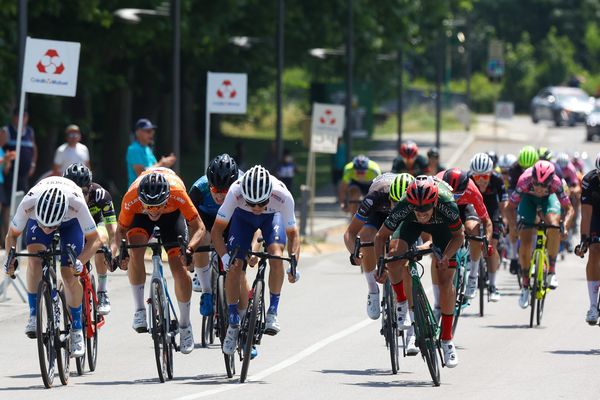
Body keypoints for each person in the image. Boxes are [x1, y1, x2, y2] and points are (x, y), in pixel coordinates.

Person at [3, 176, 100, 358]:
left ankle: (77, 329)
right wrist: (10, 260)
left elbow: (96, 240)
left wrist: (80, 261)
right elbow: (11, 236)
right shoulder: (29, 202)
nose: (48, 230)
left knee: (69, 273)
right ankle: (34, 314)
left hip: (70, 223)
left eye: (51, 226)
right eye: (45, 226)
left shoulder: (77, 202)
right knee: (34, 260)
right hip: (38, 216)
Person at [374, 176, 464, 368]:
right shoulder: (405, 205)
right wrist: (380, 265)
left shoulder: (447, 204)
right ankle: (402, 302)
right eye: (417, 209)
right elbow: (380, 236)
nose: (421, 213)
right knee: (394, 255)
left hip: (442, 229)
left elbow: (459, 236)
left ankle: (447, 339)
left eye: (425, 209)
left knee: (446, 281)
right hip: (410, 226)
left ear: (435, 202)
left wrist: (446, 255)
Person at [211, 165, 301, 355]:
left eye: (262, 203)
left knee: (276, 255)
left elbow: (293, 235)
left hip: (272, 219)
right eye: (252, 203)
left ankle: (272, 312)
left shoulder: (283, 195)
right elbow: (217, 232)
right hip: (242, 220)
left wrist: (293, 263)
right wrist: (226, 258)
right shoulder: (235, 192)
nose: (257, 208)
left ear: (270, 194)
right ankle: (233, 322)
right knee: (235, 266)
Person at [115, 168, 206, 355]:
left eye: (158, 206)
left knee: (179, 268)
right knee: (135, 252)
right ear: (141, 199)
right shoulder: (131, 197)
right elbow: (120, 231)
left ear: (166, 197)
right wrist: (122, 252)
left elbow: (199, 227)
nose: (154, 210)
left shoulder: (178, 193)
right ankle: (139, 309)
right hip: (140, 219)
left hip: (172, 217)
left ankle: (185, 324)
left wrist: (190, 249)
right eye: (149, 205)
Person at [344, 173, 418, 353]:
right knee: (367, 237)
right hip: (377, 215)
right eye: (393, 203)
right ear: (389, 196)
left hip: (407, 219)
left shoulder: (416, 198)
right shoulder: (375, 196)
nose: (395, 208)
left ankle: (413, 329)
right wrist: (355, 252)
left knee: (406, 264)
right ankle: (372, 290)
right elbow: (350, 233)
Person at [506, 160, 575, 308]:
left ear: (550, 181)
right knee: (524, 241)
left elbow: (569, 209)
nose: (539, 187)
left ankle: (551, 271)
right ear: (532, 178)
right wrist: (513, 226)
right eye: (536, 183)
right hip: (528, 201)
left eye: (544, 185)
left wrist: (565, 226)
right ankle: (525, 285)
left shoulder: (556, 183)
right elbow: (509, 207)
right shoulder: (524, 181)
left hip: (548, 200)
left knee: (554, 225)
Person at [188, 154, 242, 316]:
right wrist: (190, 251)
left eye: (225, 191)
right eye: (215, 190)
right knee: (202, 237)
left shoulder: (243, 185)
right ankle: (206, 290)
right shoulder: (199, 188)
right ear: (209, 185)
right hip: (206, 218)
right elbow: (187, 221)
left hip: (232, 218)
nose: (219, 195)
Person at [63, 163, 118, 315]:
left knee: (100, 243)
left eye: (84, 192)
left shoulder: (101, 195)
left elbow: (113, 229)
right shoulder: (60, 196)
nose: (79, 196)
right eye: (74, 192)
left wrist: (112, 251)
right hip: (73, 226)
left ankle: (102, 292)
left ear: (90, 187)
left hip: (95, 224)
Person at [438, 168, 494, 302]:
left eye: (458, 195)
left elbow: (487, 221)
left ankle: (473, 275)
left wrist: (487, 242)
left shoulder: (472, 190)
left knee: (472, 229)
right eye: (452, 193)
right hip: (444, 205)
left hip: (466, 207)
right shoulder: (437, 184)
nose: (454, 197)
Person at [468, 153, 508, 301]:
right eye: (477, 177)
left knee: (492, 247)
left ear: (491, 173)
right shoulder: (467, 179)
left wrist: (503, 219)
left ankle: (492, 285)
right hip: (473, 207)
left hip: (491, 208)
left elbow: (503, 202)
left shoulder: (497, 179)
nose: (481, 181)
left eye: (485, 177)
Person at [575, 153, 600, 324]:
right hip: (596, 215)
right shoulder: (590, 180)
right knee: (594, 249)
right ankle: (593, 306)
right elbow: (586, 213)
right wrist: (584, 239)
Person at [126, 118, 176, 186]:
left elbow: (155, 168)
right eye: (148, 131)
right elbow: (141, 173)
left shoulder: (147, 149)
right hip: (136, 193)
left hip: (148, 192)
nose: (151, 134)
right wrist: (162, 164)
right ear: (138, 132)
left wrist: (164, 164)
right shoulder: (133, 149)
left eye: (152, 131)